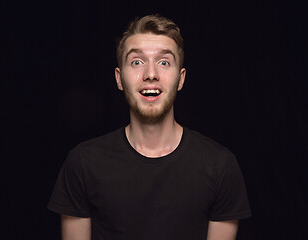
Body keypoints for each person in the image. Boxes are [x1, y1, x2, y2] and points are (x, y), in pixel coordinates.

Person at [48, 14, 251, 240]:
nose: (151, 74)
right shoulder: (82, 164)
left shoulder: (220, 166)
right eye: (137, 62)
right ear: (118, 78)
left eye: (164, 62)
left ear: (181, 79)